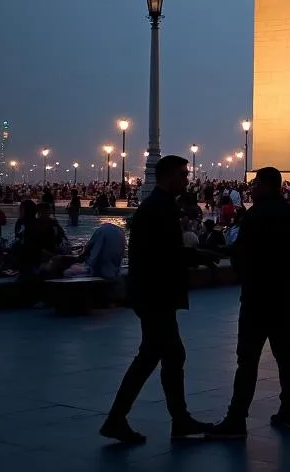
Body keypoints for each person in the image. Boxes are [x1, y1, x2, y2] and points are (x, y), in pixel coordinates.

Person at [101, 155, 212, 445]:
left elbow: (160, 252)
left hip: (151, 295)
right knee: (161, 356)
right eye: (182, 174)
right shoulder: (159, 209)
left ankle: (173, 419)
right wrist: (196, 255)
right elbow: (162, 255)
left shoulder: (157, 207)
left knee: (161, 356)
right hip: (155, 296)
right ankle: (168, 419)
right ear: (167, 177)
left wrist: (195, 256)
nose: (187, 179)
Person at [208, 167, 290, 439]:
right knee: (285, 354)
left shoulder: (254, 216)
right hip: (285, 296)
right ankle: (289, 410)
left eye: (255, 183)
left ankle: (236, 418)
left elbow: (241, 254)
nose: (252, 188)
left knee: (247, 359)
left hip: (257, 297)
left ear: (266, 185)